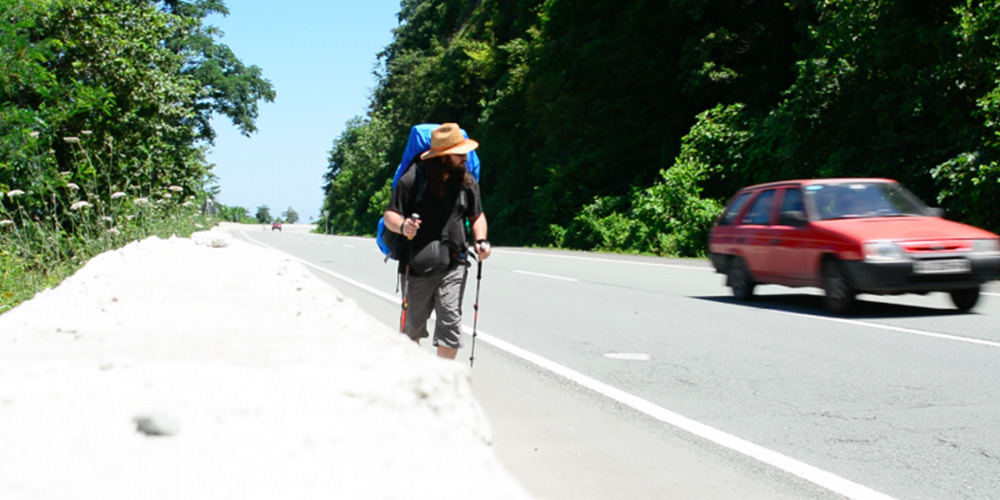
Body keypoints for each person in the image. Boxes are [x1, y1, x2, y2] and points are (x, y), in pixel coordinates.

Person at [383, 123, 491, 359]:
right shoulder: (411, 181)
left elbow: (477, 215)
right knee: (411, 330)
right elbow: (390, 215)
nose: (465, 158)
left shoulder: (467, 182)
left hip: (454, 264)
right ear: (442, 157)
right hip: (416, 268)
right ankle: (416, 380)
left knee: (450, 323)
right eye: (459, 154)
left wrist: (481, 240)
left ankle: (442, 382)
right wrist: (403, 226)